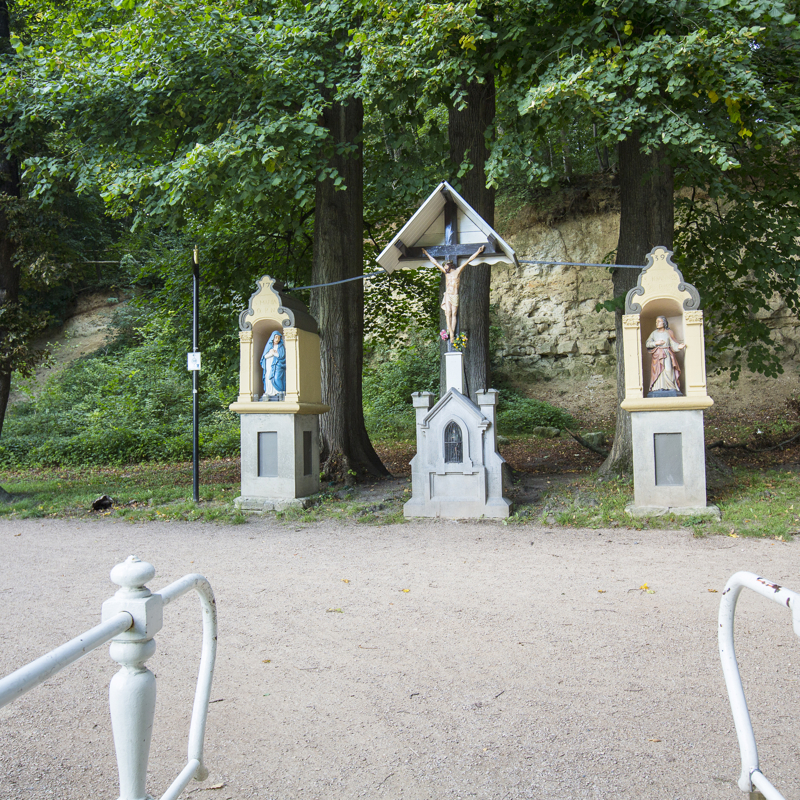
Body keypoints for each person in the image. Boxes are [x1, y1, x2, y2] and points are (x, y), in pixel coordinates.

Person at [421, 245, 485, 344]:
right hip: (448, 295)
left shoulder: (458, 271)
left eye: (446, 266)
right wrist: (426, 254)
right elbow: (435, 263)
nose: (444, 267)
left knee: (454, 314)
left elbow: (468, 260)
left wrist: (478, 252)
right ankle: (451, 334)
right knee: (448, 313)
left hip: (455, 295)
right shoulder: (446, 274)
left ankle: (452, 332)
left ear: (450, 266)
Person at [646, 315, 686, 395]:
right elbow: (647, 344)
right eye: (656, 322)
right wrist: (656, 343)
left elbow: (673, 344)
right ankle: (658, 388)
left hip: (667, 354)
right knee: (658, 371)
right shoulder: (654, 333)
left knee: (668, 370)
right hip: (657, 355)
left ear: (664, 323)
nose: (657, 323)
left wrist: (679, 346)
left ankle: (671, 387)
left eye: (659, 321)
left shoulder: (669, 333)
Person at [260, 331, 286, 399]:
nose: (277, 339)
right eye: (276, 337)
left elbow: (282, 356)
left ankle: (279, 392)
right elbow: (264, 357)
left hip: (278, 365)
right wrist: (271, 353)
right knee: (268, 377)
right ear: (272, 338)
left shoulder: (280, 347)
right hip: (269, 365)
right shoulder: (269, 346)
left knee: (277, 378)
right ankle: (269, 392)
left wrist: (275, 353)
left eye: (279, 338)